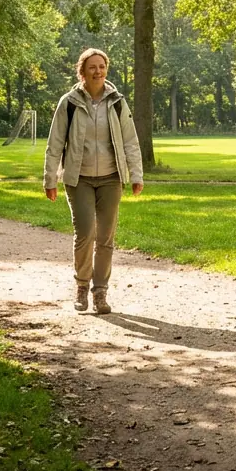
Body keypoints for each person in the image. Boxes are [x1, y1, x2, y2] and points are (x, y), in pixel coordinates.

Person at [43, 48, 144, 314]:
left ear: (106, 70)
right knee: (86, 233)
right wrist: (50, 179)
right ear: (82, 72)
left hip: (111, 178)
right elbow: (55, 143)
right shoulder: (70, 102)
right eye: (92, 67)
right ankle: (81, 286)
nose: (97, 71)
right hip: (79, 179)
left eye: (101, 66)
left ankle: (100, 293)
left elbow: (130, 141)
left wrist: (136, 175)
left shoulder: (117, 102)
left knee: (106, 237)